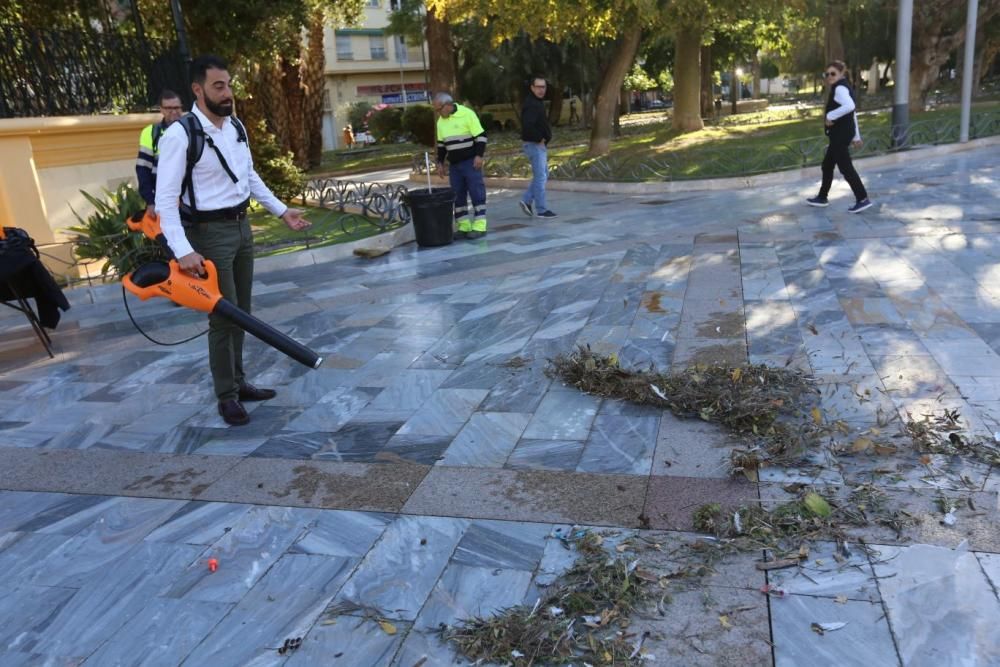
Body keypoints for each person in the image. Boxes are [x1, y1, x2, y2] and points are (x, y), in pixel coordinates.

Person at [154, 55, 310, 426]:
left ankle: (239, 383)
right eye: (218, 86)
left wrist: (281, 211)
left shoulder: (234, 125)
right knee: (224, 318)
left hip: (241, 227)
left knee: (243, 312)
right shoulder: (181, 134)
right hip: (208, 235)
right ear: (198, 90)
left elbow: (249, 175)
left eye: (228, 84)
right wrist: (183, 249)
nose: (228, 92)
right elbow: (165, 200)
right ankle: (226, 395)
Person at [807, 60, 873, 213]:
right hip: (843, 134)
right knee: (827, 165)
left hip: (840, 135)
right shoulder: (844, 87)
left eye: (833, 74)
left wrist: (831, 115)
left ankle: (862, 198)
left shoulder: (840, 89)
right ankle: (822, 197)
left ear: (842, 73)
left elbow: (850, 107)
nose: (829, 76)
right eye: (827, 74)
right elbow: (852, 114)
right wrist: (856, 136)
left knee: (845, 167)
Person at [433, 92, 488, 239]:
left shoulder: (467, 114)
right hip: (454, 165)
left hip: (471, 162)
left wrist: (479, 156)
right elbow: (441, 145)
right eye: (436, 110)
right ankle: (464, 226)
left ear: (448, 105)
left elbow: (481, 136)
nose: (438, 113)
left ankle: (480, 226)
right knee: (457, 195)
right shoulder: (441, 121)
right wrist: (440, 162)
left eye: (439, 109)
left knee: (477, 192)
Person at [135, 90, 184, 214]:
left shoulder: (192, 130)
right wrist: (150, 202)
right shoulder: (150, 133)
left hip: (191, 199)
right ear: (161, 110)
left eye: (177, 107)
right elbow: (143, 169)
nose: (173, 111)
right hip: (165, 199)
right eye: (168, 108)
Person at [519, 76, 556, 219]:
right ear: (532, 88)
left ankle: (527, 200)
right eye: (539, 87)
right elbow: (527, 125)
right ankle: (541, 210)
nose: (542, 90)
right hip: (534, 145)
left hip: (537, 145)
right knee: (541, 177)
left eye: (544, 87)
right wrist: (539, 138)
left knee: (543, 175)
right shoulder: (532, 104)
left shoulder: (536, 102)